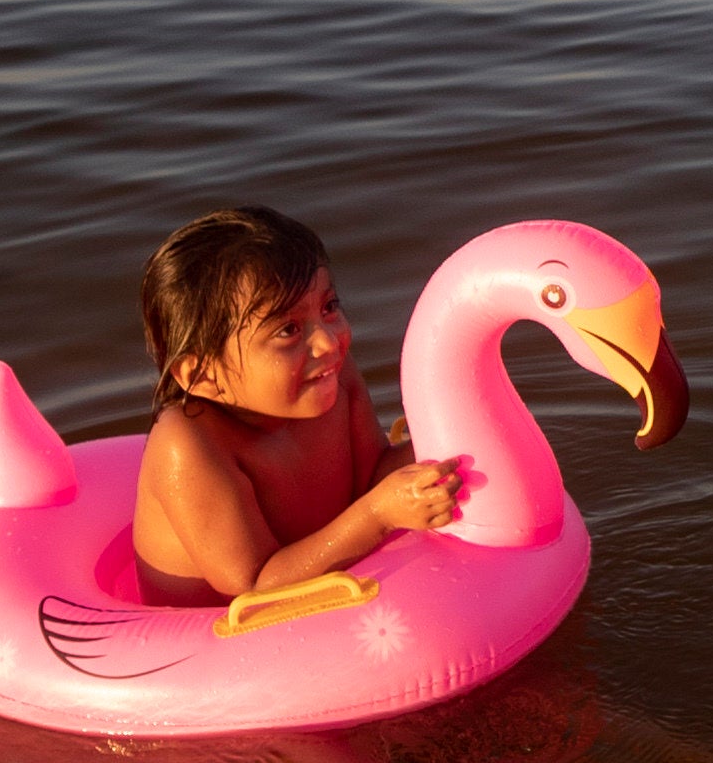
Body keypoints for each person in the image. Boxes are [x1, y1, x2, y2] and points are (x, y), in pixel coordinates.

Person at [129, 204, 469, 606]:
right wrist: (378, 516)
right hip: (212, 640)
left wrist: (450, 442)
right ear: (204, 376)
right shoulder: (189, 445)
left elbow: (373, 474)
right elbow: (255, 588)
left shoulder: (331, 375)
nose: (327, 341)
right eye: (288, 330)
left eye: (329, 307)